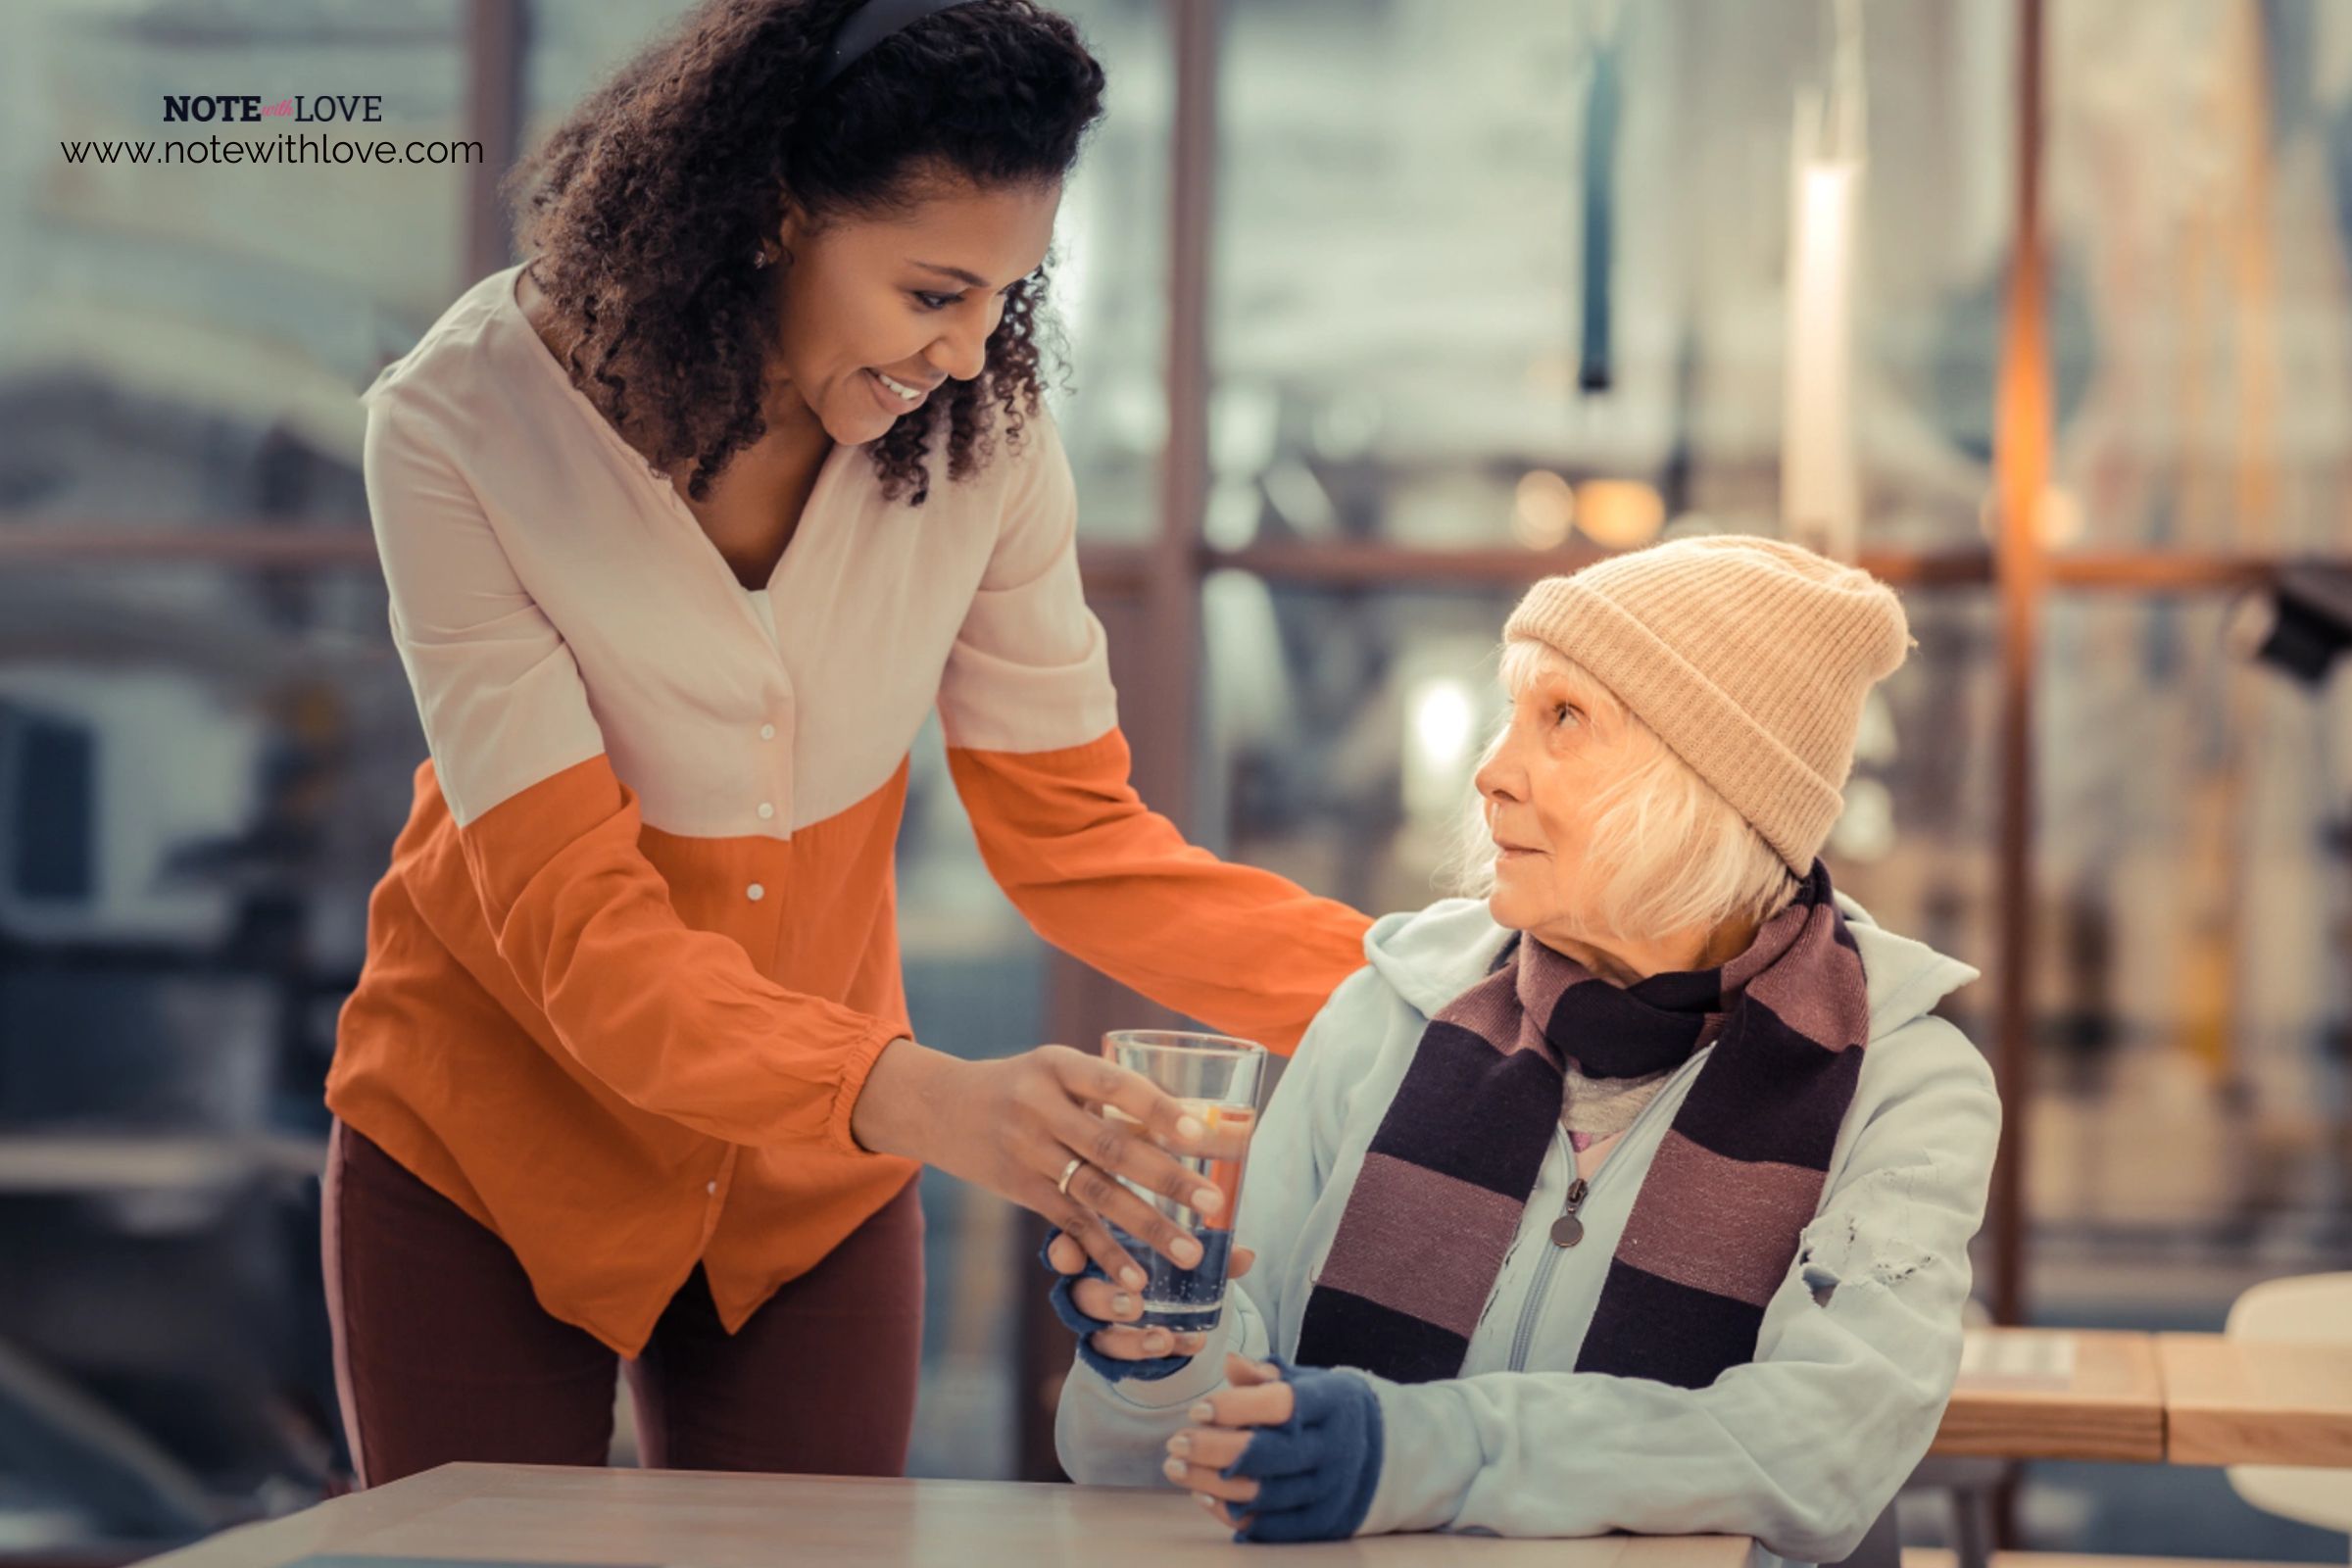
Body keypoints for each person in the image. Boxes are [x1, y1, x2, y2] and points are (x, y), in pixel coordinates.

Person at [325, 0, 1367, 1487]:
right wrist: (941, 1100)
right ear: (773, 212)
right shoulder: (458, 428)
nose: (965, 354)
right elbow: (581, 937)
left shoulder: (986, 447)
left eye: (1003, 302)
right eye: (933, 290)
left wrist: (1432, 998)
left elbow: (1077, 840)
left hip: (812, 1184)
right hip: (493, 1155)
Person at [1048, 537, 2002, 1561]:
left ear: (1712, 791)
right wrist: (1159, 1356)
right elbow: (1165, 1459)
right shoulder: (1391, 1008)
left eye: (1565, 718)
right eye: (1513, 713)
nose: (1492, 770)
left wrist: (1420, 1452)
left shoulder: (1904, 1080)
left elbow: (1817, 1457)